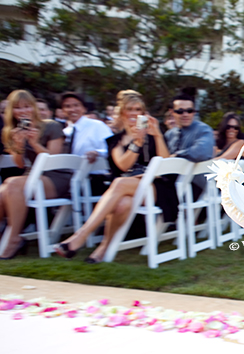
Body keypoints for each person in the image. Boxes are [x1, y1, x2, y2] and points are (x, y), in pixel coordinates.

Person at [54, 90, 169, 264]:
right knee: (123, 203)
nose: (134, 113)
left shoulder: (153, 136)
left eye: (138, 109)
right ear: (122, 112)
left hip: (157, 187)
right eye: (130, 108)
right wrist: (136, 143)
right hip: (126, 189)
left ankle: (81, 235)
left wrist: (157, 135)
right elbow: (123, 166)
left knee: (119, 183)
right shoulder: (115, 140)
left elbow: (166, 165)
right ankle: (104, 246)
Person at [0, 90, 66, 259]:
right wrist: (19, 145)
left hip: (56, 177)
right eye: (17, 108)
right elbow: (20, 164)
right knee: (3, 190)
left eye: (27, 106)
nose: (23, 111)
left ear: (33, 108)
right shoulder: (10, 131)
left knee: (11, 183)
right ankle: (9, 236)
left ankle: (14, 238)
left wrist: (35, 143)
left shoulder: (51, 126)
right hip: (30, 177)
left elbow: (53, 160)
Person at [59, 92, 114, 194]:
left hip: (93, 179)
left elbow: (113, 149)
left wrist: (97, 153)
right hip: (69, 179)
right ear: (62, 111)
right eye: (67, 106)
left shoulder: (97, 126)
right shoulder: (65, 132)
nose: (72, 109)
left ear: (84, 108)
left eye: (76, 105)